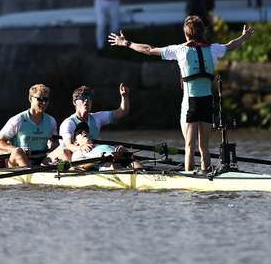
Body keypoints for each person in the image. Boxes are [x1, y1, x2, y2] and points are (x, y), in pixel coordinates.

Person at [107, 17, 254, 174]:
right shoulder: (213, 49)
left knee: (189, 146)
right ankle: (206, 173)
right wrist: (244, 37)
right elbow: (231, 45)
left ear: (186, 35)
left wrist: (126, 43)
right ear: (203, 32)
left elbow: (148, 49)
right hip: (207, 102)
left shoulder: (179, 50)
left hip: (190, 103)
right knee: (203, 147)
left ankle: (189, 180)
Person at [47, 83, 130, 162]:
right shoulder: (68, 123)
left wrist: (124, 97)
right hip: (70, 157)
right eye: (82, 97)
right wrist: (81, 147)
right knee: (66, 152)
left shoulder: (97, 118)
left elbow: (122, 112)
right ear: (74, 102)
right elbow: (68, 145)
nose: (86, 100)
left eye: (89, 98)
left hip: (90, 155)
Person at [0, 84, 59, 168]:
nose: (44, 102)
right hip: (19, 160)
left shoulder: (51, 121)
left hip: (42, 160)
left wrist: (53, 145)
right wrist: (14, 149)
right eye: (40, 99)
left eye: (46, 99)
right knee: (18, 151)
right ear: (30, 99)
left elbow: (55, 142)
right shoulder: (18, 120)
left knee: (63, 150)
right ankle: (31, 174)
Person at [69, 122, 142, 171]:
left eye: (86, 131)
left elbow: (131, 157)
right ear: (76, 142)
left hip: (121, 159)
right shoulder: (78, 153)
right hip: (107, 165)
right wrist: (102, 159)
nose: (84, 132)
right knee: (115, 166)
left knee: (135, 163)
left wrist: (124, 151)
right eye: (79, 132)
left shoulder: (99, 145)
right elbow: (80, 167)